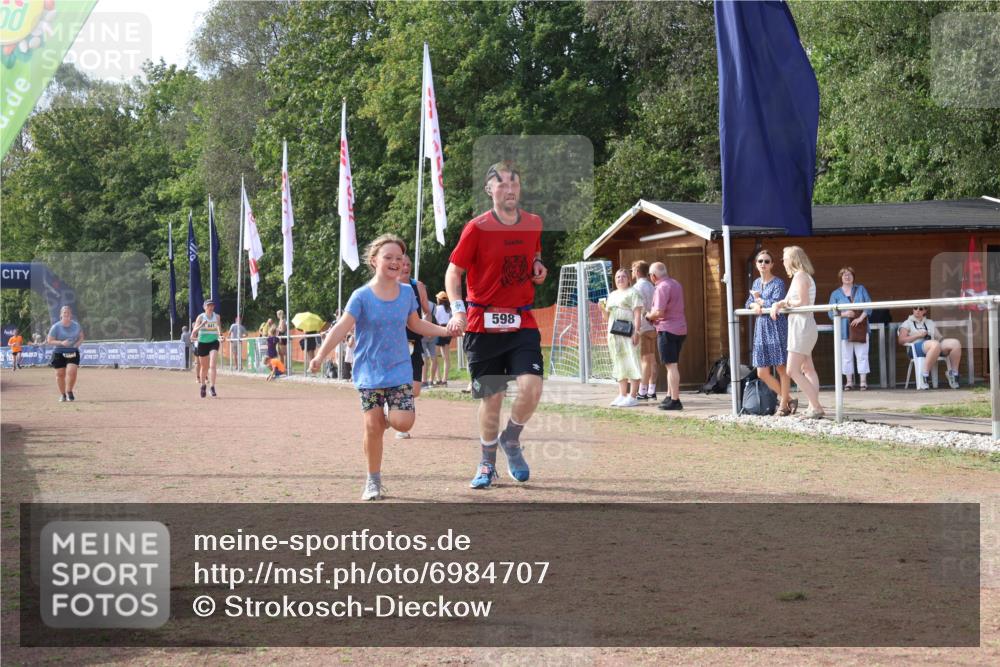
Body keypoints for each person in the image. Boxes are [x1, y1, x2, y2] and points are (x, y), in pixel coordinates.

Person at [309, 234, 449, 500]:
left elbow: (415, 324)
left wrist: (445, 329)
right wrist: (320, 355)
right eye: (388, 257)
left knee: (403, 422)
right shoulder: (361, 296)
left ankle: (385, 418)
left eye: (399, 258)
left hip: (398, 368)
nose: (395, 262)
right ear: (374, 261)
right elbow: (341, 328)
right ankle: (372, 481)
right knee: (373, 427)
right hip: (369, 371)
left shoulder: (407, 292)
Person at [445, 160, 547, 489]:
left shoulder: (533, 223)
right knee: (493, 399)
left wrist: (538, 266)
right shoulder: (477, 228)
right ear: (489, 190)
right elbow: (453, 273)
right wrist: (458, 310)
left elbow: (534, 255)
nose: (509, 188)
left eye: (514, 182)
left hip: (520, 320)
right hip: (481, 323)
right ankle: (487, 463)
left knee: (532, 387)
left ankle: (512, 440)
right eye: (501, 183)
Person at [772, 246, 824, 418]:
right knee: (808, 368)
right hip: (803, 325)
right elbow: (790, 300)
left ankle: (816, 406)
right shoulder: (800, 276)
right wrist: (780, 303)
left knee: (792, 370)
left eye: (785, 258)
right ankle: (812, 406)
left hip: (802, 326)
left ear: (793, 259)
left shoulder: (801, 276)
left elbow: (802, 302)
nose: (783, 261)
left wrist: (785, 304)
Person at [746, 249, 793, 415]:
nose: (763, 264)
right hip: (761, 329)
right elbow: (749, 302)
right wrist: (755, 305)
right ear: (756, 264)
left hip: (776, 327)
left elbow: (776, 302)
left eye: (766, 261)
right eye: (760, 261)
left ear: (772, 264)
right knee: (762, 372)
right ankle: (787, 398)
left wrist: (760, 300)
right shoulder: (756, 283)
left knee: (781, 367)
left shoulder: (778, 282)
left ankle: (783, 406)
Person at [397, 254, 433, 439]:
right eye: (402, 264)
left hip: (414, 341)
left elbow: (427, 311)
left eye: (408, 264)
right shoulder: (387, 286)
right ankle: (402, 423)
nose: (405, 267)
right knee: (402, 382)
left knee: (415, 389)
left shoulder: (417, 286)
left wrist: (426, 324)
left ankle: (396, 403)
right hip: (393, 341)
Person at [646, 262, 687, 411]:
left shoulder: (661, 287)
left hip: (667, 330)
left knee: (671, 366)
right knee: (673, 365)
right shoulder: (675, 283)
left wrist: (648, 315)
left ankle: (675, 400)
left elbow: (659, 312)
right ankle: (670, 395)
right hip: (680, 329)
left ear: (653, 276)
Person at [600, 268, 643, 407]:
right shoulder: (612, 294)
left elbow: (637, 315)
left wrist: (636, 332)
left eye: (623, 276)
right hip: (614, 333)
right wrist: (602, 309)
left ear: (628, 278)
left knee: (632, 360)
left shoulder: (633, 293)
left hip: (629, 332)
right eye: (618, 277)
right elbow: (607, 317)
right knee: (619, 362)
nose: (620, 279)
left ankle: (633, 396)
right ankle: (622, 394)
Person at [827, 267, 872, 390]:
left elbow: (869, 306)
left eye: (850, 274)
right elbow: (831, 313)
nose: (847, 277)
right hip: (843, 330)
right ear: (840, 277)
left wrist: (860, 319)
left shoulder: (861, 289)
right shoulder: (835, 294)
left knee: (862, 355)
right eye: (844, 275)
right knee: (846, 356)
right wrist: (845, 314)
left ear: (853, 276)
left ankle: (863, 382)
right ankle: (849, 382)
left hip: (860, 328)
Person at [897, 306, 963, 389]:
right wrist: (918, 335)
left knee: (955, 343)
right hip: (915, 348)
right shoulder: (907, 323)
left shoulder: (929, 322)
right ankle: (924, 375)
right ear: (912, 309)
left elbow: (940, 337)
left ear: (925, 311)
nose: (917, 310)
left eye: (920, 309)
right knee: (934, 344)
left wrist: (946, 344)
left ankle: (953, 374)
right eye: (915, 308)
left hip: (933, 346)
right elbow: (901, 340)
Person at [631, 260, 658, 401]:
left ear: (636, 271)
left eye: (632, 270)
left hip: (642, 327)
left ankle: (642, 391)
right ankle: (652, 389)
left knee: (645, 360)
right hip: (653, 326)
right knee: (652, 360)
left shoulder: (636, 288)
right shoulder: (653, 286)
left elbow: (635, 309)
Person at [46, 305, 84, 402]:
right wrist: (61, 343)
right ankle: (63, 395)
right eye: (64, 313)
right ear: (61, 315)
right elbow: (49, 341)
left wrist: (77, 344)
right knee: (60, 374)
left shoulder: (76, 325)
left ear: (70, 315)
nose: (66, 314)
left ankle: (69, 391)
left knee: (72, 372)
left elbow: (81, 337)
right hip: (59, 352)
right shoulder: (56, 327)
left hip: (72, 352)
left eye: (68, 313)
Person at [191, 299, 224, 398]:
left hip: (213, 342)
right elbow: (194, 333)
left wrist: (220, 336)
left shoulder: (217, 317)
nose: (210, 307)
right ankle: (203, 386)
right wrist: (201, 325)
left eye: (212, 305)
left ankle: (212, 387)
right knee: (204, 367)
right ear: (204, 307)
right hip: (202, 343)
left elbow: (218, 328)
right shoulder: (200, 317)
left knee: (212, 365)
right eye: (208, 306)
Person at [432, 291, 453, 386]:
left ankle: (438, 378)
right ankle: (445, 380)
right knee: (446, 357)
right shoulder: (450, 309)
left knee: (435, 357)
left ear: (439, 299)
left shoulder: (437, 308)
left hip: (439, 330)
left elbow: (434, 320)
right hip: (448, 331)